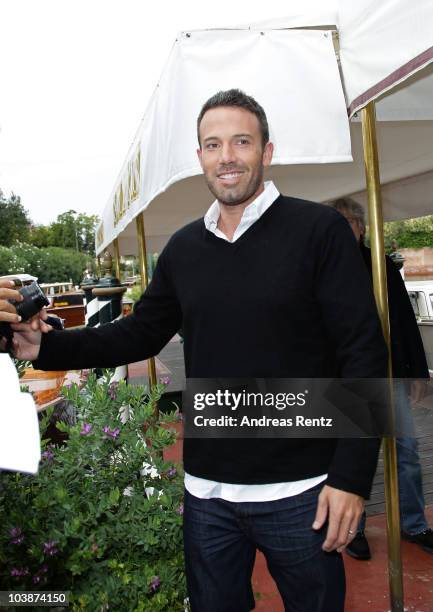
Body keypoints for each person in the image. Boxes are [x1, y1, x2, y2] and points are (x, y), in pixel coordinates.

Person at [10, 89, 387, 612]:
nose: (226, 155)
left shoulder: (318, 231)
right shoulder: (184, 248)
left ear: (267, 151)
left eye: (241, 141)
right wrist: (46, 346)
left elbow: (363, 355)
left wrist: (349, 479)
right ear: (200, 158)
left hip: (303, 493)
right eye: (213, 144)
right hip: (208, 495)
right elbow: (138, 333)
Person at [329, 197, 433, 560]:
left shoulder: (380, 263)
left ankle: (413, 523)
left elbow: (403, 318)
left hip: (388, 375)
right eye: (336, 222)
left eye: (348, 222)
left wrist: (417, 371)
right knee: (357, 457)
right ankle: (352, 529)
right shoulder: (322, 265)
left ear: (361, 226)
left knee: (406, 453)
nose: (343, 229)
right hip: (349, 380)